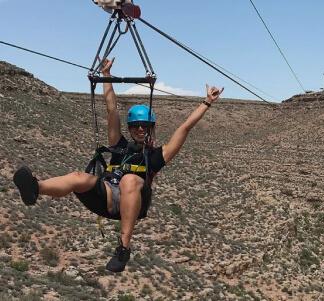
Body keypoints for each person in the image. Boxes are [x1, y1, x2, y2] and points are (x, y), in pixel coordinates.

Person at [12, 58, 224, 272]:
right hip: (106, 196)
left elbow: (185, 128)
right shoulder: (119, 146)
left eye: (145, 126)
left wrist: (206, 102)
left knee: (130, 179)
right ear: (130, 128)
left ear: (151, 128)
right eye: (136, 126)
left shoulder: (156, 156)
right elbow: (111, 110)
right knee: (78, 176)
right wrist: (106, 75)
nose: (141, 130)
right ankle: (35, 188)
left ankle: (123, 248)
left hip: (133, 202)